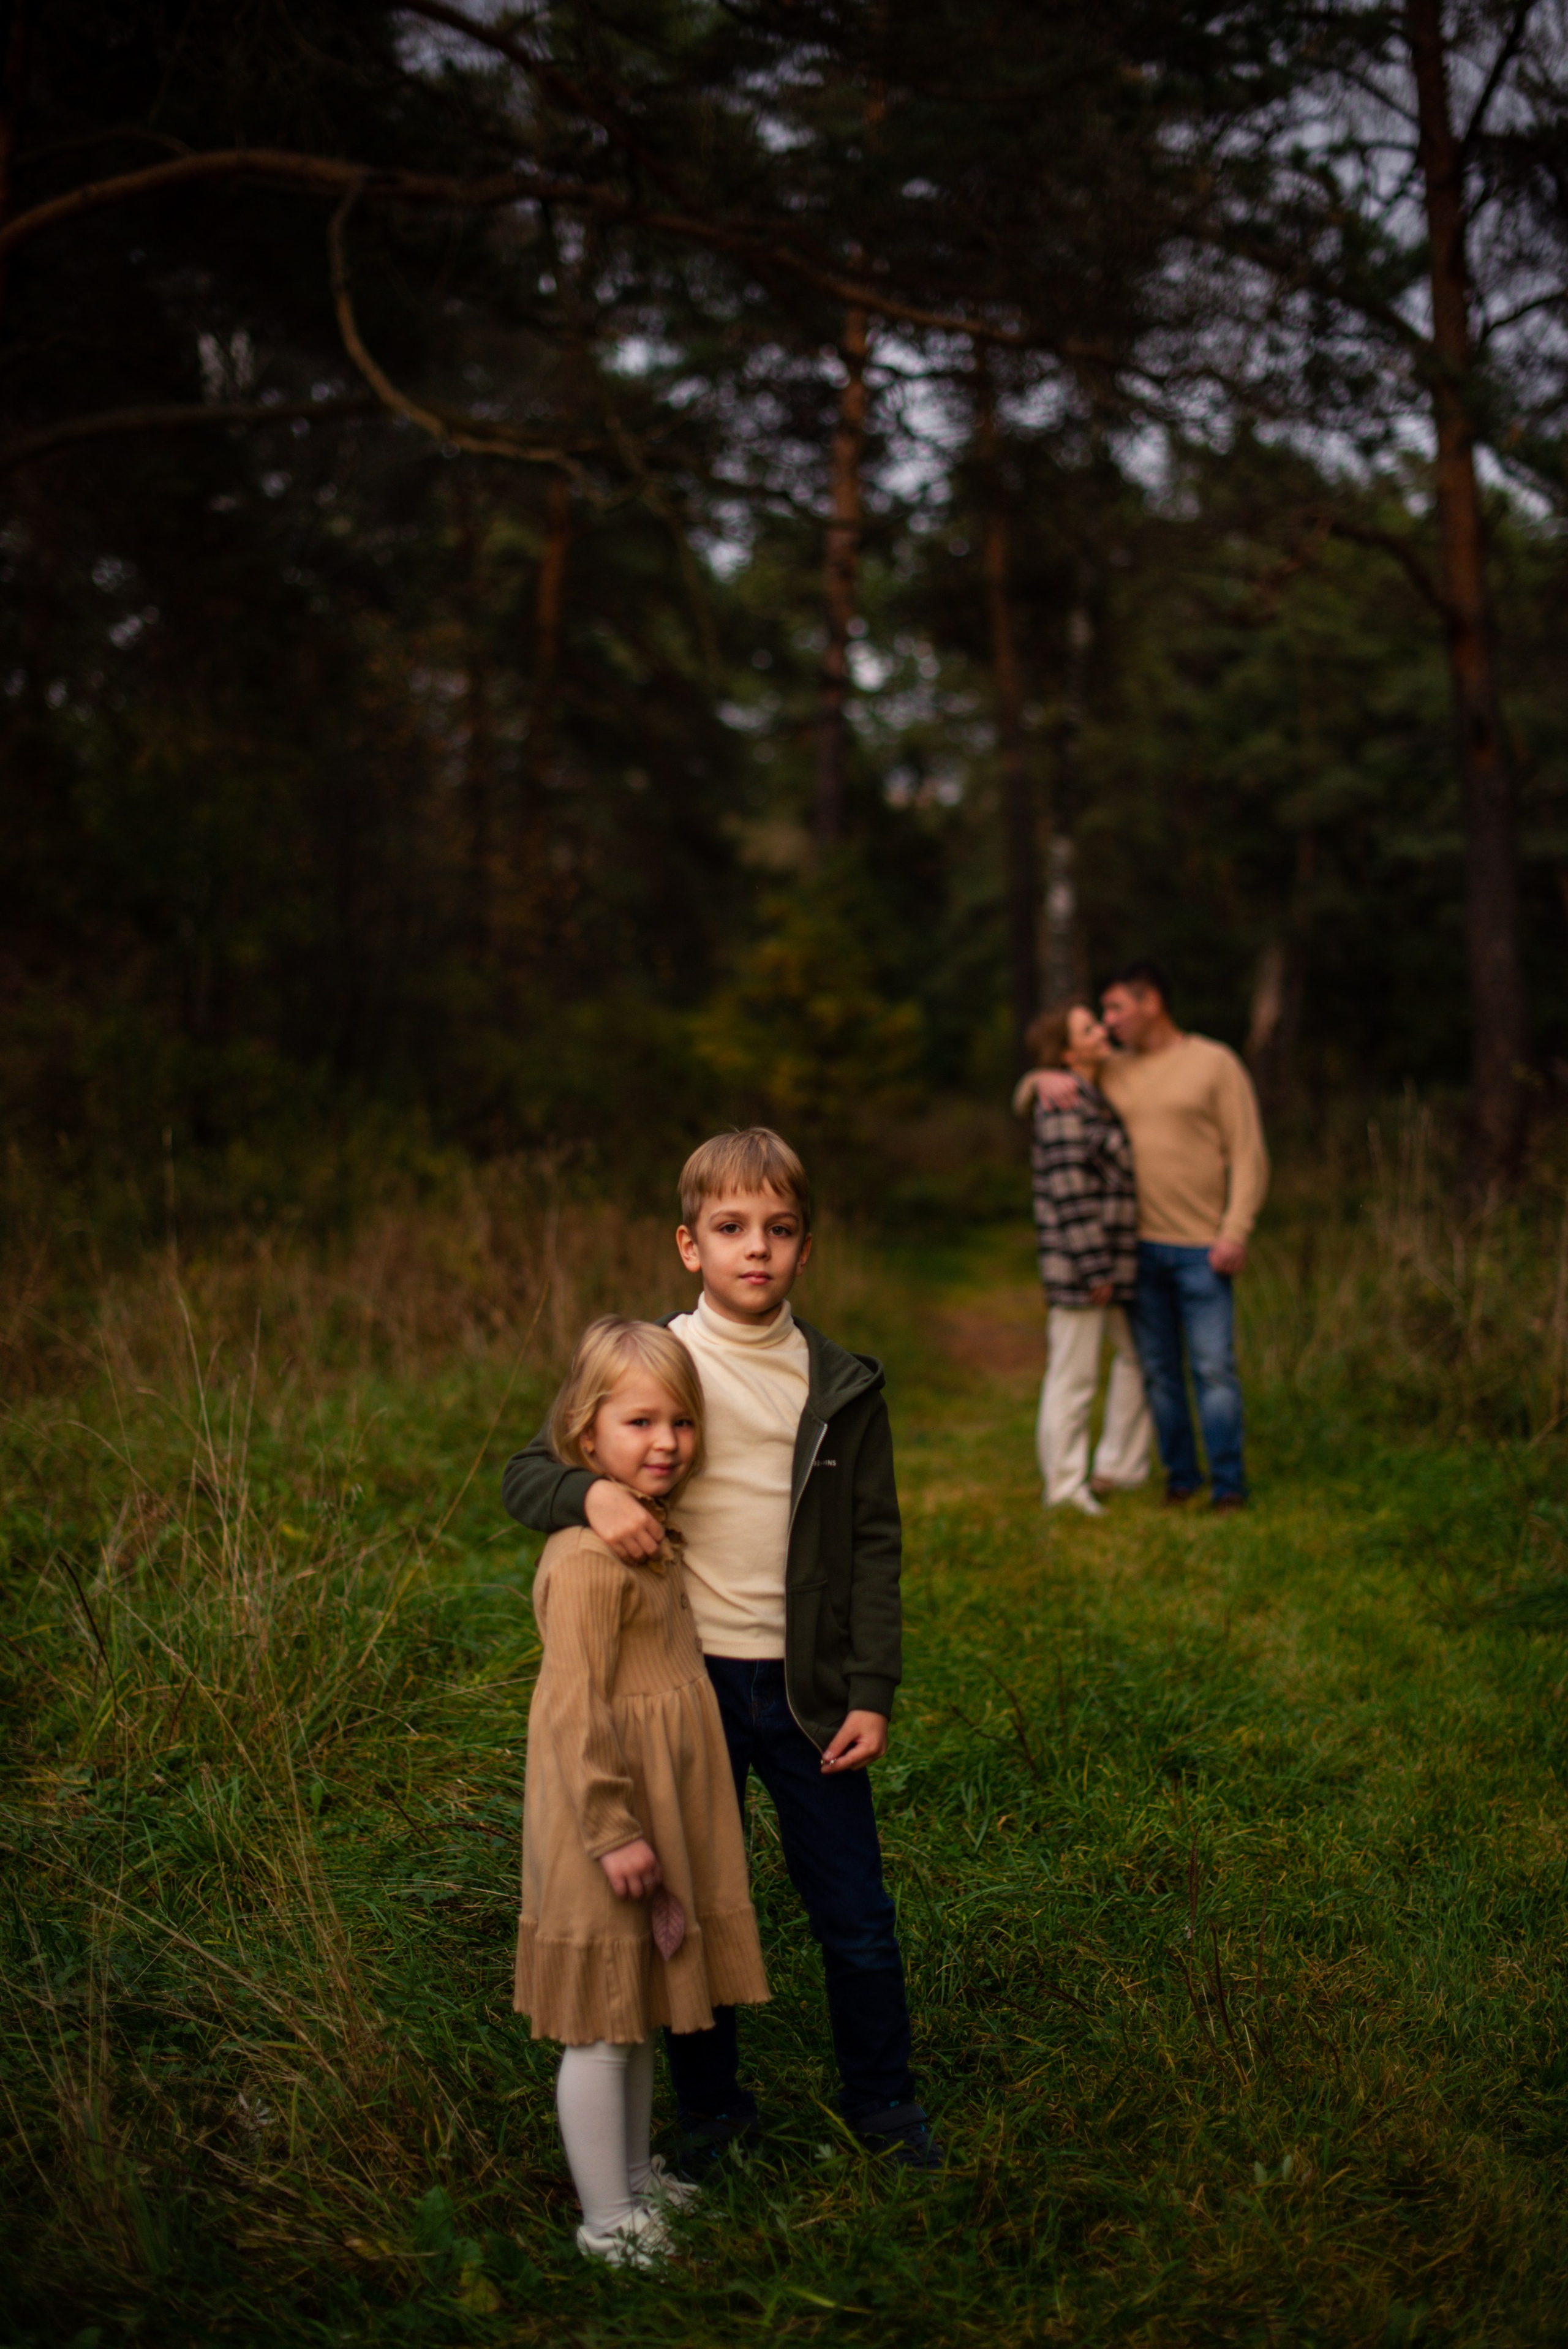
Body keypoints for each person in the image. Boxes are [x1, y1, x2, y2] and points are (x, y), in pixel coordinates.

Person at [502, 1128, 939, 2171]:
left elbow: (874, 1546)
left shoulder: (841, 1386)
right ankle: (713, 2112)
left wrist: (870, 1688)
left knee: (855, 1912)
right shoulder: (656, 1361)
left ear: (805, 1247)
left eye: (780, 1231)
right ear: (689, 1244)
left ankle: (885, 2107)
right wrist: (594, 1491)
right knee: (685, 1906)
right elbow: (530, 1471)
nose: (758, 1250)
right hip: (681, 1688)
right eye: (732, 1229)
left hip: (806, 1690)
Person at [514, 1315, 769, 2268]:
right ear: (587, 1437)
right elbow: (571, 1711)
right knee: (600, 2025)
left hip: (652, 1804)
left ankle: (631, 2178)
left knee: (637, 2012)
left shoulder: (655, 1536)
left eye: (682, 1422)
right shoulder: (587, 1559)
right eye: (639, 1422)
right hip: (601, 1816)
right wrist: (614, 1827)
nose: (665, 1441)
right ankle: (604, 2219)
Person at [1021, 959, 1268, 1511]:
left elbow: (1249, 1153)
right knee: (1156, 1370)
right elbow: (1052, 1088)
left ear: (1151, 1001)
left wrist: (1236, 1229)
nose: (1108, 1024)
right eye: (1099, 1016)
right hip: (1136, 1251)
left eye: (1115, 1009)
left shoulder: (1215, 1063)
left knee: (1212, 1367)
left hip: (1204, 1247)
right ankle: (1178, 1478)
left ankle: (1228, 1485)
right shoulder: (1112, 1069)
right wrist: (1038, 1078)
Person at [1012, 1001, 1152, 1516]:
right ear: (1070, 1051)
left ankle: (1119, 1465)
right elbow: (1070, 1193)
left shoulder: (1093, 1093)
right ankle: (1065, 1487)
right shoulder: (1065, 1102)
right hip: (1083, 1269)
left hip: (1115, 1263)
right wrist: (1096, 1268)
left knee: (1140, 1356)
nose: (1103, 1031)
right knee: (1074, 1376)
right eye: (1090, 1028)